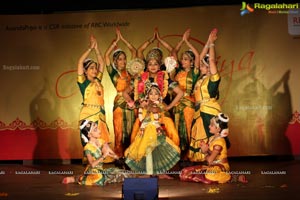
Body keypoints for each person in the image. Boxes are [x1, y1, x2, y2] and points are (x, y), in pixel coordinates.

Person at [188, 28, 229, 162]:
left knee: (208, 134)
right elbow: (202, 56)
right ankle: (200, 160)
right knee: (198, 133)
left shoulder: (213, 79)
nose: (201, 67)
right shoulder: (200, 79)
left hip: (209, 110)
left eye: (203, 66)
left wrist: (212, 44)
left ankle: (210, 160)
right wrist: (208, 41)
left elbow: (211, 60)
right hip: (199, 110)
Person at [124, 83, 180, 178]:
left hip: (155, 130)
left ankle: (160, 172)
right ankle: (148, 173)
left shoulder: (160, 105)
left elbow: (155, 110)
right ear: (147, 95)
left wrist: (146, 106)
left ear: (159, 95)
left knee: (158, 150)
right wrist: (134, 105)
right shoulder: (144, 104)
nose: (153, 96)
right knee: (148, 150)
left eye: (156, 94)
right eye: (151, 94)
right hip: (145, 131)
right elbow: (141, 116)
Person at [180, 113, 248, 184]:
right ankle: (203, 176)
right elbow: (209, 156)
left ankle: (233, 177)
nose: (209, 126)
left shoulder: (219, 142)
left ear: (218, 129)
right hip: (210, 166)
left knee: (210, 175)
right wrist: (203, 148)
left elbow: (209, 160)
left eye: (212, 125)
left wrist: (205, 151)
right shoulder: (211, 138)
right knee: (184, 173)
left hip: (220, 167)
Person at [62, 120, 135, 185]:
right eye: (95, 130)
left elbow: (109, 151)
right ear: (89, 135)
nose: (99, 131)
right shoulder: (88, 148)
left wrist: (117, 158)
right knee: (102, 178)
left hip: (101, 170)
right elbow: (93, 164)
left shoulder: (100, 141)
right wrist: (104, 156)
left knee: (124, 172)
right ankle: (74, 178)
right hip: (94, 173)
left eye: (97, 128)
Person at [104, 28, 141, 158]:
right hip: (119, 103)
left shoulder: (130, 72)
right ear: (115, 61)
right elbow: (106, 56)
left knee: (132, 130)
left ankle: (131, 156)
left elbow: (134, 51)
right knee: (119, 131)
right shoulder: (113, 73)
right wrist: (115, 43)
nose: (123, 61)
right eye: (120, 59)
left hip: (131, 102)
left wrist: (123, 39)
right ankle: (119, 156)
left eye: (124, 59)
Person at [170, 28, 200, 159]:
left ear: (192, 62)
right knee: (177, 129)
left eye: (186, 59)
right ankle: (180, 155)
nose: (183, 61)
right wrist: (182, 41)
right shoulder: (178, 72)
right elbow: (173, 53)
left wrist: (187, 42)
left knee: (188, 128)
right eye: (182, 59)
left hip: (188, 103)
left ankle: (190, 154)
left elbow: (198, 55)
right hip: (176, 104)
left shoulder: (194, 73)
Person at [77, 35, 111, 150]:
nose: (95, 70)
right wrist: (90, 48)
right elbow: (80, 62)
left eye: (95, 68)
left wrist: (97, 49)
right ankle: (90, 162)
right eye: (91, 68)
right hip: (88, 114)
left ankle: (101, 161)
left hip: (100, 113)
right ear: (85, 71)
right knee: (89, 140)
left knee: (101, 138)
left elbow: (101, 63)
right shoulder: (83, 83)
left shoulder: (98, 81)